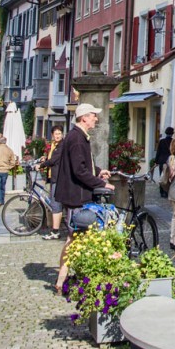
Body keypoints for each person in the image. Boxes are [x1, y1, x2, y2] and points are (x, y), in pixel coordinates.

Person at [52, 104, 114, 293]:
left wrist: (97, 172)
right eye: (94, 115)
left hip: (75, 194)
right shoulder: (77, 139)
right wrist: (100, 184)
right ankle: (68, 279)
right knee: (76, 237)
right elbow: (78, 170)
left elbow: (80, 166)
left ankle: (63, 280)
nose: (96, 118)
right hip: (76, 195)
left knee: (75, 237)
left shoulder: (76, 136)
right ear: (84, 118)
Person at [40, 125, 65, 240]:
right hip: (53, 177)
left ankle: (55, 231)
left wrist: (41, 165)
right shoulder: (54, 145)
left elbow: (54, 160)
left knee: (55, 205)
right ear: (52, 135)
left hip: (58, 178)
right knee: (56, 205)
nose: (58, 135)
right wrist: (44, 160)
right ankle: (56, 229)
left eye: (59, 133)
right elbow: (51, 158)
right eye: (56, 134)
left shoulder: (61, 146)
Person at [154, 126, 175, 197]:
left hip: (162, 161)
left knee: (162, 176)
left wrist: (156, 161)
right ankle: (167, 191)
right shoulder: (173, 141)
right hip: (171, 161)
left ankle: (161, 191)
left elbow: (158, 152)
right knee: (169, 177)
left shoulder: (162, 141)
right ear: (172, 133)